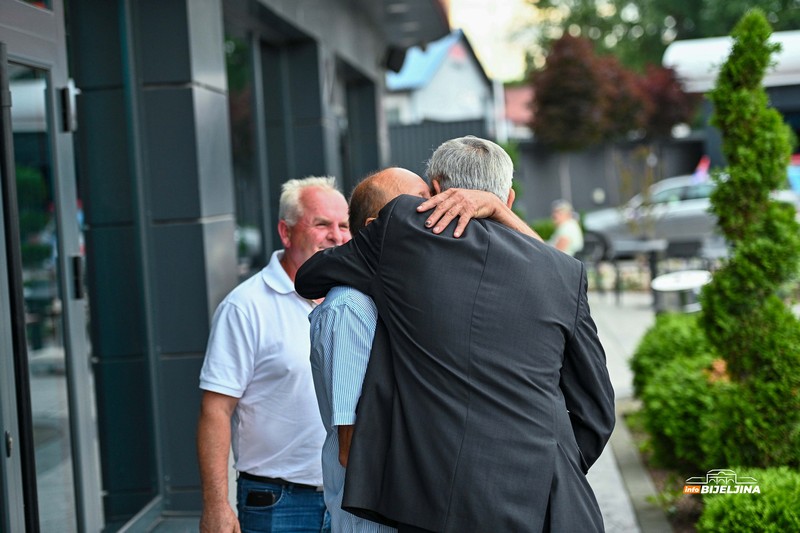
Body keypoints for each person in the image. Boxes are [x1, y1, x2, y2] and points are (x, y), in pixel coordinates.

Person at [295, 136, 615, 532]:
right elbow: (597, 413)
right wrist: (547, 467)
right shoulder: (564, 274)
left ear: (435, 191)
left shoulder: (401, 233)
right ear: (509, 198)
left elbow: (310, 277)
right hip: (555, 509)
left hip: (441, 507)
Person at [308, 167, 540, 533]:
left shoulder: (401, 294)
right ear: (376, 226)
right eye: (419, 209)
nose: (434, 219)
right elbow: (351, 449)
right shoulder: (350, 308)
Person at [197, 176, 350, 533]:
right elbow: (215, 410)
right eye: (322, 224)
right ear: (286, 232)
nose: (337, 236)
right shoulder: (245, 307)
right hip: (278, 504)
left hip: (350, 501)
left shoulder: (354, 300)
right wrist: (216, 505)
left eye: (344, 225)